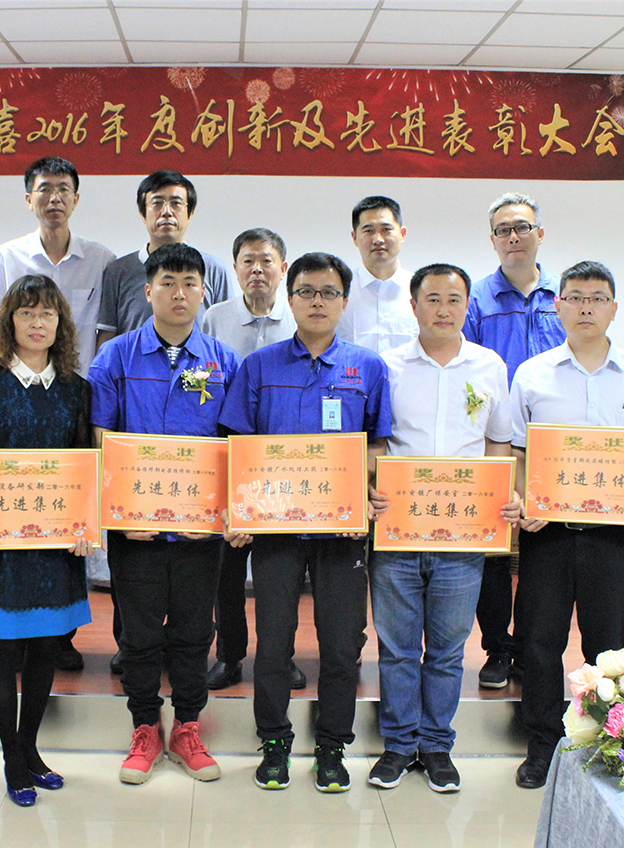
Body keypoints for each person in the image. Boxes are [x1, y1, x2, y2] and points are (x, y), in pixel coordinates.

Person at [220, 252, 391, 793]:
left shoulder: (368, 367)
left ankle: (332, 746)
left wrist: (361, 495)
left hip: (342, 534)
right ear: (290, 299)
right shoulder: (259, 366)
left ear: (344, 301)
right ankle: (273, 742)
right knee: (273, 643)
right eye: (307, 292)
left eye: (329, 292)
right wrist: (240, 510)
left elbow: (378, 446)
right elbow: (238, 444)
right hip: (276, 533)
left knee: (341, 645)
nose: (318, 301)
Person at [508, 261, 624, 790]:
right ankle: (542, 747)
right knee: (539, 644)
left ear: (613, 308)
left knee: (608, 649)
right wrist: (525, 499)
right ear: (558, 306)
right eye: (575, 297)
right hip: (548, 536)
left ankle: (605, 745)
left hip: (612, 539)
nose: (585, 307)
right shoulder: (532, 374)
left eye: (597, 298)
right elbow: (517, 453)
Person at [88, 243, 240, 786]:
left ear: (204, 292)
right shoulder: (115, 358)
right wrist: (117, 512)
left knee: (196, 632)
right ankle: (145, 728)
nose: (180, 293)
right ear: (148, 290)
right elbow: (101, 438)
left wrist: (227, 512)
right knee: (140, 633)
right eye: (168, 283)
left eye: (190, 283)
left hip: (201, 530)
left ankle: (188, 728)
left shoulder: (224, 362)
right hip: (137, 530)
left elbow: (235, 442)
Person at [368, 263, 522, 793]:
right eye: (432, 299)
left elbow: (498, 442)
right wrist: (372, 485)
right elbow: (376, 444)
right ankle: (397, 745)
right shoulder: (387, 366)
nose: (443, 310)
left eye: (454, 300)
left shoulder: (489, 366)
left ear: (467, 307)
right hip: (397, 530)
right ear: (413, 307)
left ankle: (436, 745)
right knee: (397, 647)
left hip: (464, 533)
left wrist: (501, 495)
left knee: (449, 649)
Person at [0, 275, 93, 808]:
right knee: (4, 646)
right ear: (9, 320)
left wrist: (85, 528)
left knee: (45, 646)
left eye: (48, 314)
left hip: (56, 543)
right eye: (26, 312)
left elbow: (84, 463)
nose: (37, 323)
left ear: (61, 323)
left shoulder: (77, 388)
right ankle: (11, 758)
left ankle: (30, 748)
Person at [463, 191, 565, 690]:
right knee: (496, 551)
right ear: (493, 240)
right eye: (503, 230)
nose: (514, 237)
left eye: (522, 227)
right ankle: (498, 648)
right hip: (496, 443)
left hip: (553, 448)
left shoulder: (564, 298)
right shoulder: (476, 300)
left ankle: (531, 647)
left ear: (539, 234)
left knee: (543, 552)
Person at [199, 228, 303, 692]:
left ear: (283, 268)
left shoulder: (300, 315)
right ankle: (229, 655)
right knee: (227, 567)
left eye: (266, 260)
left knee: (282, 571)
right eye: (247, 261)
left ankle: (281, 655)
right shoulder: (214, 318)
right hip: (231, 454)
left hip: (286, 463)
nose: (257, 269)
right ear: (235, 268)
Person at [0, 156, 115, 375]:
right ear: (29, 200)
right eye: (45, 190)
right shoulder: (4, 259)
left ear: (75, 199)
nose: (55, 199)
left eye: (63, 189)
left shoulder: (101, 261)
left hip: (81, 383)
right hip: (18, 383)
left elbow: (106, 333)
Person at [96, 169, 233, 348]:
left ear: (190, 213)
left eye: (176, 203)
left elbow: (226, 333)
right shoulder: (118, 271)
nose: (167, 212)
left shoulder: (214, 270)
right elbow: (107, 337)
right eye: (157, 203)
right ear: (143, 214)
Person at [337, 196, 418, 354]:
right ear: (355, 238)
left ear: (402, 234)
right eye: (368, 231)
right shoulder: (339, 289)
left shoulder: (421, 289)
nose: (378, 239)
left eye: (386, 229)